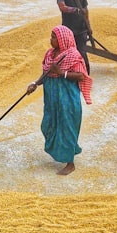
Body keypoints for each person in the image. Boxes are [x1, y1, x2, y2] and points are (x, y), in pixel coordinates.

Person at [25, 25, 93, 175]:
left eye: (54, 37)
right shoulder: (50, 54)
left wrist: (61, 73)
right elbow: (46, 73)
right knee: (48, 124)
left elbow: (82, 76)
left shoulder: (73, 55)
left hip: (67, 98)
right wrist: (35, 84)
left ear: (63, 39)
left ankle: (70, 163)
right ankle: (63, 152)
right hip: (51, 99)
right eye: (51, 36)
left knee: (67, 126)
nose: (51, 40)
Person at [56, 0, 92, 74]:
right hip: (67, 30)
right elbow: (62, 7)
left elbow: (86, 10)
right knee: (66, 53)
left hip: (81, 28)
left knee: (82, 52)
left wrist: (89, 27)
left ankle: (85, 75)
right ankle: (66, 73)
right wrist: (75, 10)